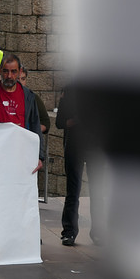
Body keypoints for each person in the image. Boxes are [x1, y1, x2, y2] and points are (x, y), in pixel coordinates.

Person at [0, 54, 45, 174]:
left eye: (13, 71)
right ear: (0, 70)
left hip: (22, 154)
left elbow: (35, 126)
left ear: (19, 71)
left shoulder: (28, 96)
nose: (9, 76)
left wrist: (39, 156)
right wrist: (5, 127)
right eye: (5, 71)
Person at [56, 86, 104, 246]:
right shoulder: (70, 91)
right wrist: (78, 119)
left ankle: (99, 232)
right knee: (73, 190)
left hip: (96, 147)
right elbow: (60, 122)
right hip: (75, 146)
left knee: (98, 191)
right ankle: (69, 232)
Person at [19, 66, 50, 134]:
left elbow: (46, 122)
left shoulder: (33, 98)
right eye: (17, 79)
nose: (20, 82)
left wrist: (31, 133)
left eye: (23, 79)